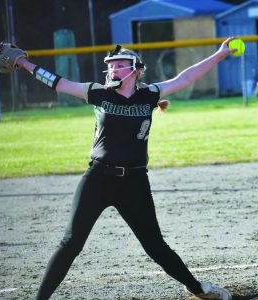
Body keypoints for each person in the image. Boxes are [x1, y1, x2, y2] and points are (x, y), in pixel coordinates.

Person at [17, 37, 237, 300]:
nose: (112, 70)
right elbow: (58, 83)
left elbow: (186, 78)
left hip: (134, 182)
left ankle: (197, 289)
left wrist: (219, 55)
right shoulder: (98, 92)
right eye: (110, 66)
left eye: (119, 65)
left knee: (155, 245)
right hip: (98, 178)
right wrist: (23, 63)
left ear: (135, 70)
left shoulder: (150, 95)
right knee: (71, 243)